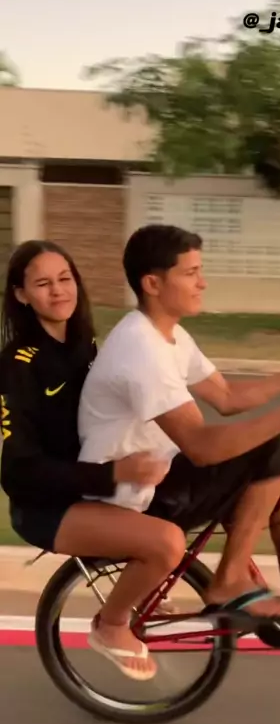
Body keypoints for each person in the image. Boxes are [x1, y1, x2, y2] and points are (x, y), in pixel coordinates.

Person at [78, 224, 280, 632]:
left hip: (160, 473)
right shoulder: (141, 350)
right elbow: (200, 445)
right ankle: (228, 581)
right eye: (191, 273)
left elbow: (227, 397)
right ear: (153, 284)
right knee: (275, 446)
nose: (203, 283)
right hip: (135, 496)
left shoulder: (168, 335)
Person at [0, 240, 188, 682]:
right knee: (167, 543)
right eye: (43, 284)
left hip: (97, 487)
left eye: (65, 279)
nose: (58, 290)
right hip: (47, 508)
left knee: (210, 478)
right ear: (21, 295)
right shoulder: (17, 365)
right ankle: (112, 625)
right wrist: (113, 473)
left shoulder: (86, 345)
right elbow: (17, 471)